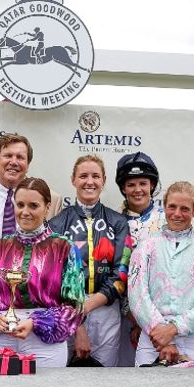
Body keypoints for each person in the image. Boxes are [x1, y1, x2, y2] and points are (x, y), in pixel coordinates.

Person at [0, 133, 62, 366]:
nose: (13, 161)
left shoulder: (53, 200)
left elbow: (54, 251)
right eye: (7, 155)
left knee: (30, 376)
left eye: (20, 157)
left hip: (32, 308)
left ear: (28, 164)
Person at [0, 177, 85, 367]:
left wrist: (36, 322)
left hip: (44, 343)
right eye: (20, 205)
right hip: (0, 338)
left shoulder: (64, 248)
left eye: (33, 206)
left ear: (47, 207)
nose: (25, 212)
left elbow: (74, 306)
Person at [128, 181, 194, 367]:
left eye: (185, 208)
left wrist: (173, 329)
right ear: (164, 207)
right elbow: (137, 296)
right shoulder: (146, 245)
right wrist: (162, 333)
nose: (177, 214)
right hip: (153, 337)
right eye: (172, 207)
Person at [48, 155, 128, 367]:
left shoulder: (118, 222)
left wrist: (91, 303)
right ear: (73, 180)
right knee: (64, 379)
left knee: (104, 379)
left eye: (95, 176)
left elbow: (121, 273)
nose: (89, 181)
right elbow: (54, 278)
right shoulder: (56, 224)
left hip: (106, 310)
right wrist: (77, 321)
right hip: (67, 310)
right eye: (83, 176)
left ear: (104, 180)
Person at [114, 151, 165, 367]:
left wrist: (148, 319)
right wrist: (131, 316)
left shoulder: (167, 220)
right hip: (121, 315)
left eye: (143, 183)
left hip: (159, 317)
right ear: (123, 188)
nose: (137, 190)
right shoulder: (113, 221)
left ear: (152, 185)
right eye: (131, 184)